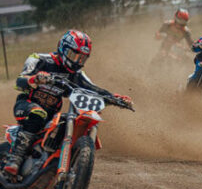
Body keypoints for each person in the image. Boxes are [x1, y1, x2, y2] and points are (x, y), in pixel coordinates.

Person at [4, 30, 133, 175]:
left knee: (63, 123)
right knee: (38, 114)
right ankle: (14, 159)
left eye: (82, 58)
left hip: (52, 115)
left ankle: (56, 165)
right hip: (27, 104)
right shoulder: (40, 59)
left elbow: (93, 89)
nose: (77, 61)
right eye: (74, 55)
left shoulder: (76, 75)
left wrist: (114, 98)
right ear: (63, 48)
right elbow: (19, 82)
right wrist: (35, 79)